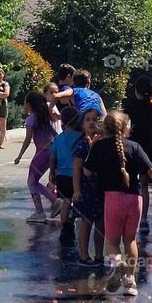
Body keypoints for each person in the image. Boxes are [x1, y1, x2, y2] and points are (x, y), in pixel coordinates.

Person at [84, 110, 152, 296]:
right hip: (135, 199)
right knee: (130, 240)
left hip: (112, 199)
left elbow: (86, 172)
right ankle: (130, 283)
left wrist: (92, 148)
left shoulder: (99, 147)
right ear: (126, 128)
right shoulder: (134, 147)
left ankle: (117, 263)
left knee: (112, 242)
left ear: (103, 128)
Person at [123, 74, 152, 231]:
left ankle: (128, 216)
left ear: (136, 91)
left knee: (128, 181)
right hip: (148, 147)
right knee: (144, 185)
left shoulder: (129, 105)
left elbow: (124, 126)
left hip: (130, 147)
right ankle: (144, 219)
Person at [14, 91, 59, 222]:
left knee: (31, 181)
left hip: (41, 153)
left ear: (28, 104)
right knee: (34, 181)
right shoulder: (46, 117)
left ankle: (41, 211)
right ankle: (53, 201)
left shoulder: (31, 118)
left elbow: (28, 139)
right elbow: (55, 134)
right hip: (50, 152)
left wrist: (20, 155)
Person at [73, 110, 104, 266]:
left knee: (101, 223)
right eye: (88, 120)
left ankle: (99, 254)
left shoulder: (102, 142)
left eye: (95, 119)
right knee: (86, 222)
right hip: (86, 189)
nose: (91, 122)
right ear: (82, 124)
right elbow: (77, 170)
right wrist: (76, 190)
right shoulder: (82, 145)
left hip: (101, 189)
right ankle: (83, 255)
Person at [49, 103, 82, 248]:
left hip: (62, 174)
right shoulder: (81, 137)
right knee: (77, 198)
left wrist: (52, 173)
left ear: (62, 121)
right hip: (77, 175)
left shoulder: (59, 138)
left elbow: (52, 158)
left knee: (65, 201)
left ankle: (65, 225)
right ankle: (73, 219)